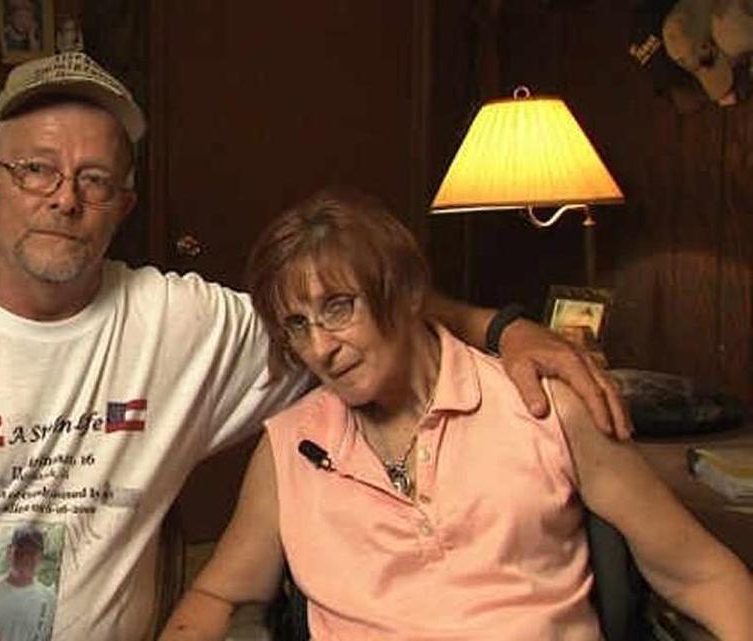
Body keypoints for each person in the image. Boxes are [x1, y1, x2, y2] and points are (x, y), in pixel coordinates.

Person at [0, 52, 630, 641]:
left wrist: (502, 326)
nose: (64, 199)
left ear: (122, 203)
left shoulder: (182, 322)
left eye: (94, 179)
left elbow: (358, 305)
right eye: (36, 171)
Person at [159, 188, 752, 641]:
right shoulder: (290, 447)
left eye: (337, 309)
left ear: (408, 292)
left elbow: (701, 575)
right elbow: (218, 595)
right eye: (297, 326)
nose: (319, 348)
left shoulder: (545, 407)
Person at [0, 526, 57, 641]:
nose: (25, 557)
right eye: (20, 550)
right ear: (9, 552)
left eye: (32, 552)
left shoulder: (50, 600)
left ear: (41, 557)